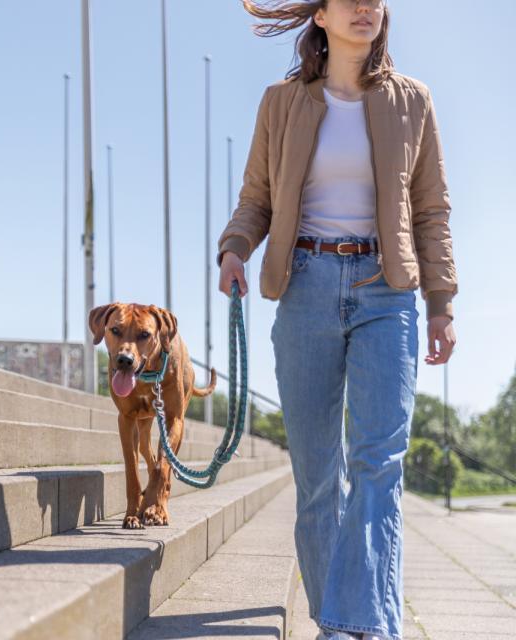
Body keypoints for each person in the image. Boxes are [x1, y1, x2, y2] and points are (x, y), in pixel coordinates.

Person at [215, 1, 458, 639]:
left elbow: (431, 209)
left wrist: (442, 302)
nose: (365, 8)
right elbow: (257, 198)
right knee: (319, 471)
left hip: (389, 292)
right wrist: (235, 248)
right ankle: (333, 621)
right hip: (307, 287)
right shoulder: (283, 101)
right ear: (319, 16)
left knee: (379, 459)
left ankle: (370, 626)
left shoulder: (413, 101)